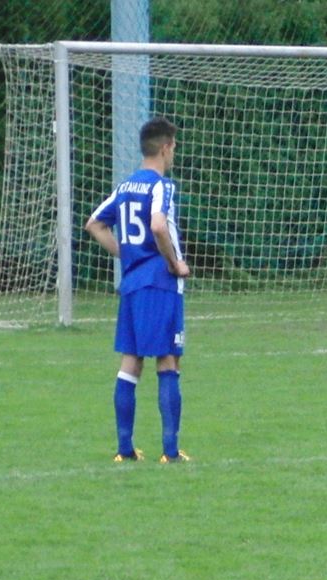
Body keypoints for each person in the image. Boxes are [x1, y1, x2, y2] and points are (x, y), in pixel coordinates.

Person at [84, 117, 191, 463]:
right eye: (173, 147)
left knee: (130, 362)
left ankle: (125, 449)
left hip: (131, 283)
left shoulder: (125, 186)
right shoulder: (162, 186)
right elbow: (159, 225)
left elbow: (94, 224)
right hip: (159, 283)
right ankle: (170, 452)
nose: (174, 153)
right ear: (165, 148)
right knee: (168, 358)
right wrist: (174, 263)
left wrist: (125, 252)